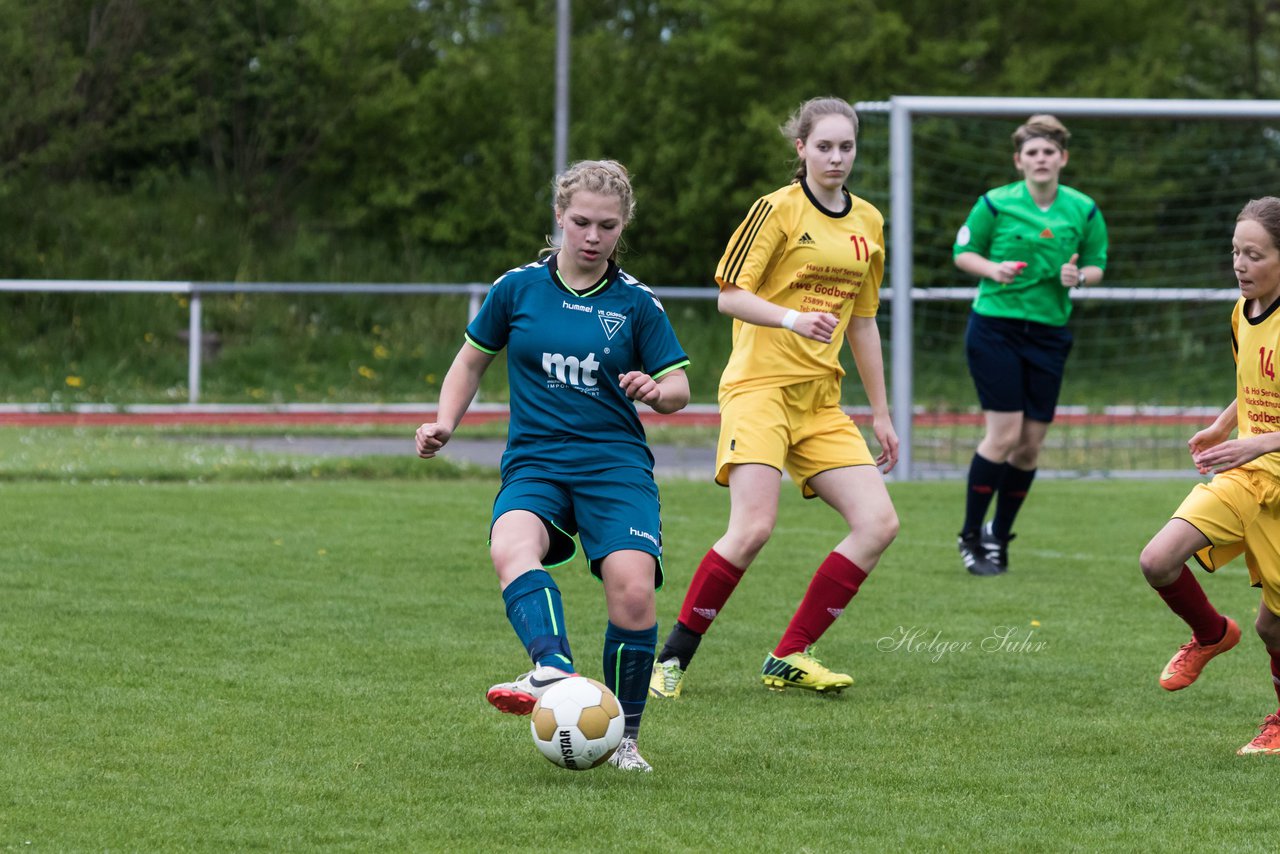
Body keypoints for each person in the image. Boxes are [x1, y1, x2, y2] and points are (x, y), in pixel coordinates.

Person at [415, 159, 690, 772]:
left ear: (624, 228)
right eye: (582, 222)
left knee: (634, 592)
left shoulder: (637, 304)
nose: (593, 237)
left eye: (608, 226)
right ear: (560, 218)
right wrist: (444, 423)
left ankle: (624, 741)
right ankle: (553, 667)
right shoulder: (517, 289)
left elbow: (680, 388)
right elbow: (469, 363)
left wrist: (656, 390)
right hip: (536, 461)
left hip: (614, 465)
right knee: (510, 545)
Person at [648, 96, 899, 700]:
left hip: (821, 401)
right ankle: (670, 660)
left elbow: (862, 323)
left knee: (878, 523)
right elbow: (728, 296)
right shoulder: (776, 211)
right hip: (759, 390)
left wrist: (883, 413)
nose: (836, 158)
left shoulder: (868, 221)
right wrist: (791, 318)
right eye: (824, 146)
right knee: (754, 527)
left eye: (846, 147)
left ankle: (790, 654)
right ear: (801, 149)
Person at [1138, 197, 1280, 756]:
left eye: (1255, 254)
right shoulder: (1240, 313)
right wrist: (1225, 426)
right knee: (1157, 558)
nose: (1241, 265)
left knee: (1274, 629)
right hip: (1246, 476)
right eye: (1235, 253)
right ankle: (1211, 633)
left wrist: (1258, 441)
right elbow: (1250, 384)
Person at [952, 114, 1108, 576]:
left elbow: (1097, 265)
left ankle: (999, 537)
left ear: (1062, 158)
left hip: (1048, 335)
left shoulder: (1084, 209)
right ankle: (970, 537)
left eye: (1049, 152)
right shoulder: (995, 204)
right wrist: (992, 270)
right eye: (1032, 152)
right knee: (1003, 435)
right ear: (1019, 161)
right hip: (994, 329)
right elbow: (963, 253)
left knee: (1030, 446)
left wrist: (1077, 277)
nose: (1041, 159)